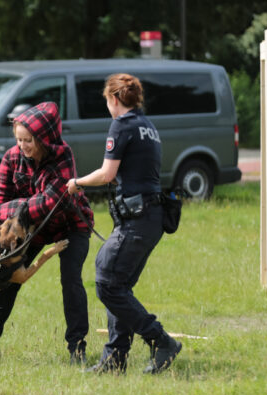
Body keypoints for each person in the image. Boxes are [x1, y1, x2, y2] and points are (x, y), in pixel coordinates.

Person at [67, 73, 181, 374]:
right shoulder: (148, 127)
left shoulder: (121, 125)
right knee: (118, 284)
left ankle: (161, 341)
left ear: (114, 99)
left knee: (106, 281)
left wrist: (76, 183)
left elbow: (106, 174)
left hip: (138, 218)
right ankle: (114, 358)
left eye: (107, 100)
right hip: (151, 217)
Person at [0, 101, 94, 365]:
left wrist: (14, 210)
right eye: (19, 140)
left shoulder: (63, 156)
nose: (22, 146)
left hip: (71, 225)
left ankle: (77, 350)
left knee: (71, 282)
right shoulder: (12, 156)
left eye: (28, 140)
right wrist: (20, 211)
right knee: (8, 279)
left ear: (44, 138)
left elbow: (53, 203)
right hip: (30, 231)